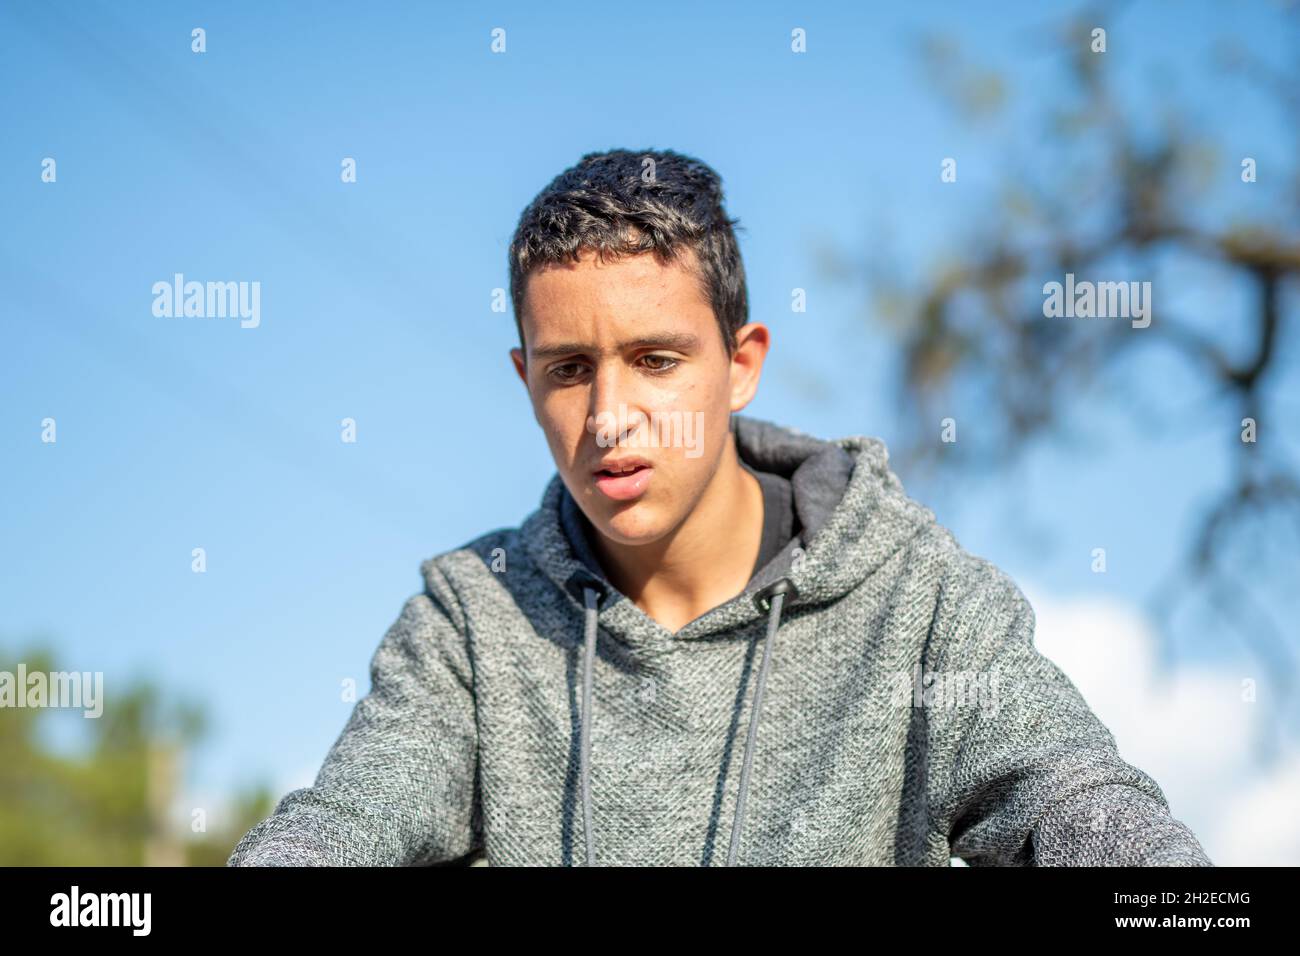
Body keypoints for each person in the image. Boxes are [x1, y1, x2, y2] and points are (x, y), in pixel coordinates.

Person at [227, 148, 1213, 867]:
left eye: (655, 360)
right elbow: (348, 820)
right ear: (524, 378)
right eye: (569, 370)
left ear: (740, 366)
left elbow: (1067, 794)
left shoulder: (918, 598)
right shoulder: (469, 623)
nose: (609, 418)